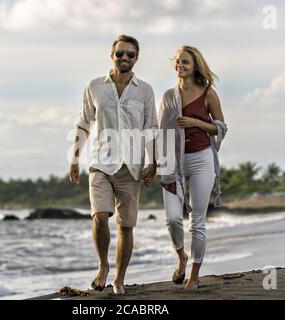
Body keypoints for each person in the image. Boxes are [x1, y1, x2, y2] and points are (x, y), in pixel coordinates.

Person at [69, 35, 158, 294]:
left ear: (136, 59)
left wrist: (153, 164)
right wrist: (74, 158)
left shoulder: (145, 90)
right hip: (100, 163)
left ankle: (119, 278)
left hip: (131, 167)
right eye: (120, 54)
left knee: (126, 226)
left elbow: (151, 128)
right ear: (112, 56)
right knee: (99, 216)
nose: (125, 58)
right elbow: (84, 123)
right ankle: (103, 266)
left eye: (130, 55)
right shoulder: (95, 86)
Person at [157, 46, 228, 290]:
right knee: (172, 219)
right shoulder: (167, 96)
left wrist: (195, 122)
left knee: (197, 220)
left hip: (201, 158)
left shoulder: (208, 94)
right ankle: (181, 258)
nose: (180, 65)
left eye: (185, 62)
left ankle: (194, 276)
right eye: (177, 61)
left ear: (195, 65)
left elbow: (221, 128)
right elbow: (160, 134)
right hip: (172, 163)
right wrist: (152, 165)